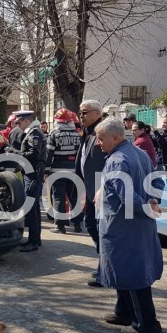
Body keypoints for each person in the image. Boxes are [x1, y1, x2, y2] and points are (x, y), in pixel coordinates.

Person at [94, 117, 164, 333]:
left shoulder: (117, 160)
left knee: (134, 273)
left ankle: (147, 324)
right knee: (125, 269)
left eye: (101, 139)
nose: (98, 143)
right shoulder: (139, 154)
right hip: (136, 225)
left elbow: (127, 197)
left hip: (124, 227)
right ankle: (124, 311)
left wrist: (146, 206)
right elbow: (157, 181)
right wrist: (153, 200)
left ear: (115, 137)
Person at [75, 100, 107, 286]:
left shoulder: (102, 133)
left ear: (97, 113)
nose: (81, 116)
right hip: (89, 190)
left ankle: (105, 270)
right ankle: (105, 265)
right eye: (80, 112)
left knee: (100, 230)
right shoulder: (87, 132)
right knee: (90, 225)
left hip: (100, 191)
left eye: (85, 112)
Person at [8, 110, 45, 252]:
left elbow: (34, 154)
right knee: (34, 208)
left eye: (19, 123)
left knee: (30, 208)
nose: (18, 126)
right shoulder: (32, 132)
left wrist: (16, 154)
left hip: (33, 174)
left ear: (26, 120)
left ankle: (33, 241)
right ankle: (35, 239)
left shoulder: (34, 133)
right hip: (31, 173)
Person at [46, 108, 82, 234]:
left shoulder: (54, 134)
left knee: (58, 198)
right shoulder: (77, 135)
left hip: (57, 170)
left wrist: (46, 170)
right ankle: (77, 224)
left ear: (58, 122)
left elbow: (49, 155)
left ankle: (60, 226)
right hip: (74, 170)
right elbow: (80, 154)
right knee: (74, 197)